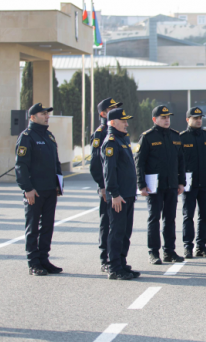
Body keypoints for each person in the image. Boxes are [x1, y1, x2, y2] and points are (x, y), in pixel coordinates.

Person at [15, 103, 63, 276]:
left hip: (50, 189)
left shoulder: (49, 136)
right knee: (33, 227)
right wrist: (27, 188)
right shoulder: (26, 137)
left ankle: (44, 259)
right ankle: (33, 263)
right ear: (33, 117)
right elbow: (21, 165)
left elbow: (55, 163)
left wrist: (59, 185)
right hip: (34, 191)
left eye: (47, 113)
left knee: (47, 226)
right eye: (43, 114)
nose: (47, 116)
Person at [135, 105, 186, 265]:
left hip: (171, 184)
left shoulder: (175, 136)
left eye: (168, 117)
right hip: (153, 186)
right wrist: (141, 184)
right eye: (163, 117)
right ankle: (153, 252)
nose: (166, 120)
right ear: (154, 119)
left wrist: (181, 182)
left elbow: (181, 162)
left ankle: (169, 251)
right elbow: (139, 163)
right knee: (154, 219)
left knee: (170, 219)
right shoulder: (147, 137)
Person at [101, 108, 140, 280]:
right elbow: (109, 171)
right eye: (123, 121)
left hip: (127, 194)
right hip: (118, 196)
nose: (127, 124)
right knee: (116, 232)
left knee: (125, 232)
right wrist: (114, 194)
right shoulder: (111, 142)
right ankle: (114, 267)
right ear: (113, 122)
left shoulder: (122, 140)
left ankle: (122, 263)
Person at [180, 107, 206, 258]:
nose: (198, 121)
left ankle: (201, 246)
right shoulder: (182, 138)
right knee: (188, 216)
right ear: (188, 120)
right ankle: (187, 246)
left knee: (204, 216)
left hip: (205, 183)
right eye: (195, 118)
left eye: (200, 118)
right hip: (188, 184)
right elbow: (177, 162)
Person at [89, 97, 123, 272]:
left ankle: (116, 257)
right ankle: (105, 258)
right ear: (103, 113)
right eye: (112, 108)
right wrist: (102, 186)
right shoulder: (101, 132)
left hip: (117, 186)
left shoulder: (117, 130)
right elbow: (96, 163)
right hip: (107, 187)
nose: (116, 110)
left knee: (116, 224)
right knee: (107, 222)